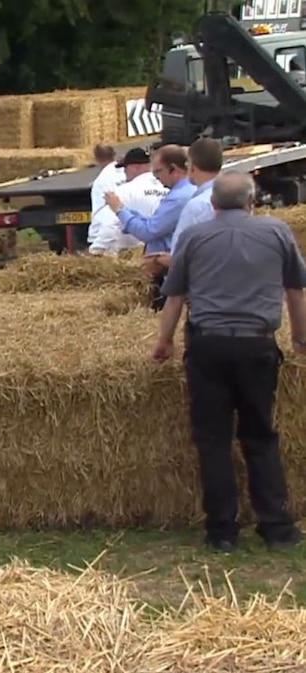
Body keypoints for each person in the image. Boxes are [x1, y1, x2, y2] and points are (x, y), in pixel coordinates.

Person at [153, 171, 306, 553]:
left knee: (213, 440)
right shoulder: (277, 232)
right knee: (260, 436)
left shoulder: (194, 237)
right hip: (257, 345)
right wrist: (300, 338)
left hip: (209, 347)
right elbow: (295, 291)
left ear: (213, 204)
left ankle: (222, 531)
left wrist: (164, 341)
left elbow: (175, 297)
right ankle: (276, 527)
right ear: (252, 202)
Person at [143, 138, 225, 277]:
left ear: (192, 167)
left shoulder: (195, 206)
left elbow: (179, 258)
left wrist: (159, 260)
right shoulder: (231, 194)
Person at [105, 144, 196, 254]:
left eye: (158, 171)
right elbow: (153, 224)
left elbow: (148, 232)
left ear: (173, 169)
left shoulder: (178, 198)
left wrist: (119, 209)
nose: (156, 177)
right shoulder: (188, 190)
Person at [89, 148, 168, 257]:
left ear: (135, 168)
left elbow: (110, 225)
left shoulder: (124, 192)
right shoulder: (169, 190)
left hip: (135, 257)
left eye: (125, 169)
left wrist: (96, 251)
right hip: (167, 256)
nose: (124, 173)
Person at [87, 143, 125, 247]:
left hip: (107, 233)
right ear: (114, 154)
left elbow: (99, 210)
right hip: (128, 230)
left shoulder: (100, 180)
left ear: (96, 159)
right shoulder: (125, 172)